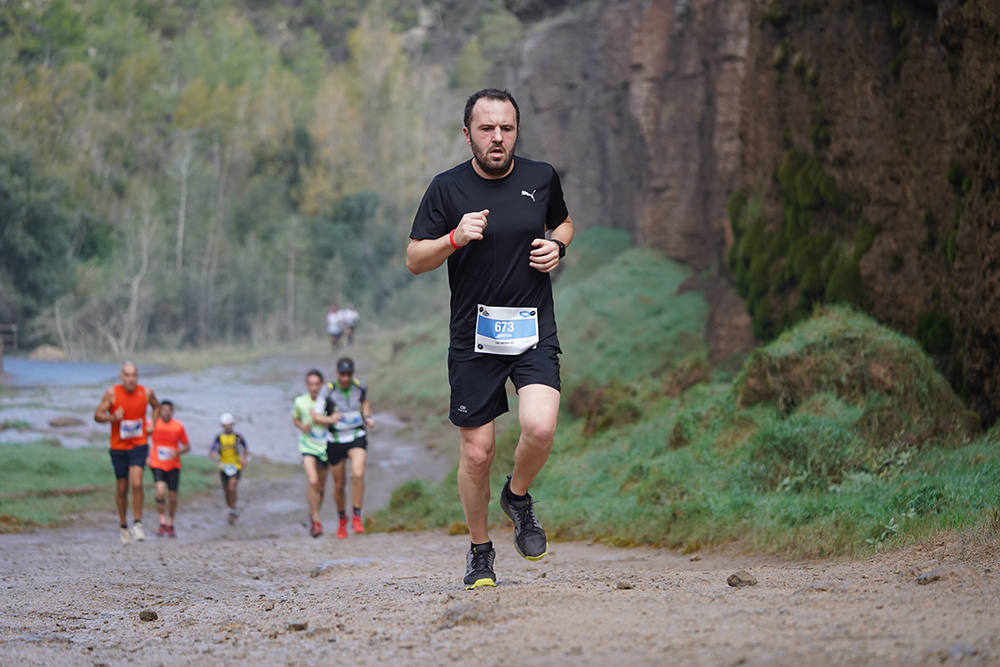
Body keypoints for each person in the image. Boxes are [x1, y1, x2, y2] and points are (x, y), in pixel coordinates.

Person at [406, 88, 574, 589]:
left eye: (506, 128)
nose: (497, 137)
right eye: (486, 129)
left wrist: (557, 246)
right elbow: (415, 259)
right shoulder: (446, 188)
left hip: (531, 327)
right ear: (468, 134)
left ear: (516, 131)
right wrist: (454, 238)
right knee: (477, 453)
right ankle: (480, 551)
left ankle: (517, 496)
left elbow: (563, 221)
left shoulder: (541, 177)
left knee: (540, 427)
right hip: (473, 336)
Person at [93, 361, 161, 544]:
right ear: (121, 376)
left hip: (139, 444)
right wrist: (111, 417)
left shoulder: (146, 392)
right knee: (122, 488)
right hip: (118, 447)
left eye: (134, 375)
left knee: (137, 483)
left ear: (137, 377)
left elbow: (157, 406)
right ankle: (123, 526)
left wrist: (153, 424)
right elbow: (97, 415)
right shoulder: (112, 393)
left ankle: (137, 524)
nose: (131, 379)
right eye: (127, 375)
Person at [310, 357, 374, 539]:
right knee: (339, 485)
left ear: (353, 373)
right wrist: (331, 419)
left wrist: (367, 416)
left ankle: (356, 516)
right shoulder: (327, 391)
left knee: (358, 473)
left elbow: (365, 402)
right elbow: (316, 416)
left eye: (349, 374)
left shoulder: (360, 386)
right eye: (342, 374)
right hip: (335, 440)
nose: (345, 378)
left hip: (356, 436)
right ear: (337, 373)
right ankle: (342, 521)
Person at [292, 369, 331, 537]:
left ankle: (314, 512)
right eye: (311, 384)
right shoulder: (300, 401)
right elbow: (295, 418)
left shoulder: (328, 402)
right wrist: (302, 426)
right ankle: (316, 521)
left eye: (317, 384)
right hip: (307, 447)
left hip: (325, 447)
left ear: (321, 384)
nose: (314, 387)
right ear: (307, 385)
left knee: (320, 488)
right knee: (313, 481)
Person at [147, 400, 190, 537]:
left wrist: (177, 452)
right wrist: (147, 455)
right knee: (160, 492)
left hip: (173, 465)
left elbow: (187, 446)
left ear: (172, 411)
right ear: (159, 411)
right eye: (163, 410)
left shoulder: (178, 426)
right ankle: (162, 522)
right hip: (157, 463)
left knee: (172, 497)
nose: (166, 412)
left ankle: (171, 523)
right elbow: (141, 441)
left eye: (168, 410)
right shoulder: (152, 424)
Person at [209, 413, 248, 525]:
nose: (228, 427)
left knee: (232, 487)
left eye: (229, 425)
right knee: (226, 490)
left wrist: (243, 459)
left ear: (232, 425)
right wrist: (212, 454)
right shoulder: (219, 437)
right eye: (226, 425)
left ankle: (233, 509)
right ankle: (230, 507)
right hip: (223, 466)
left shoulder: (237, 437)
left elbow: (244, 448)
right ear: (222, 426)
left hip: (235, 466)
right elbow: (213, 448)